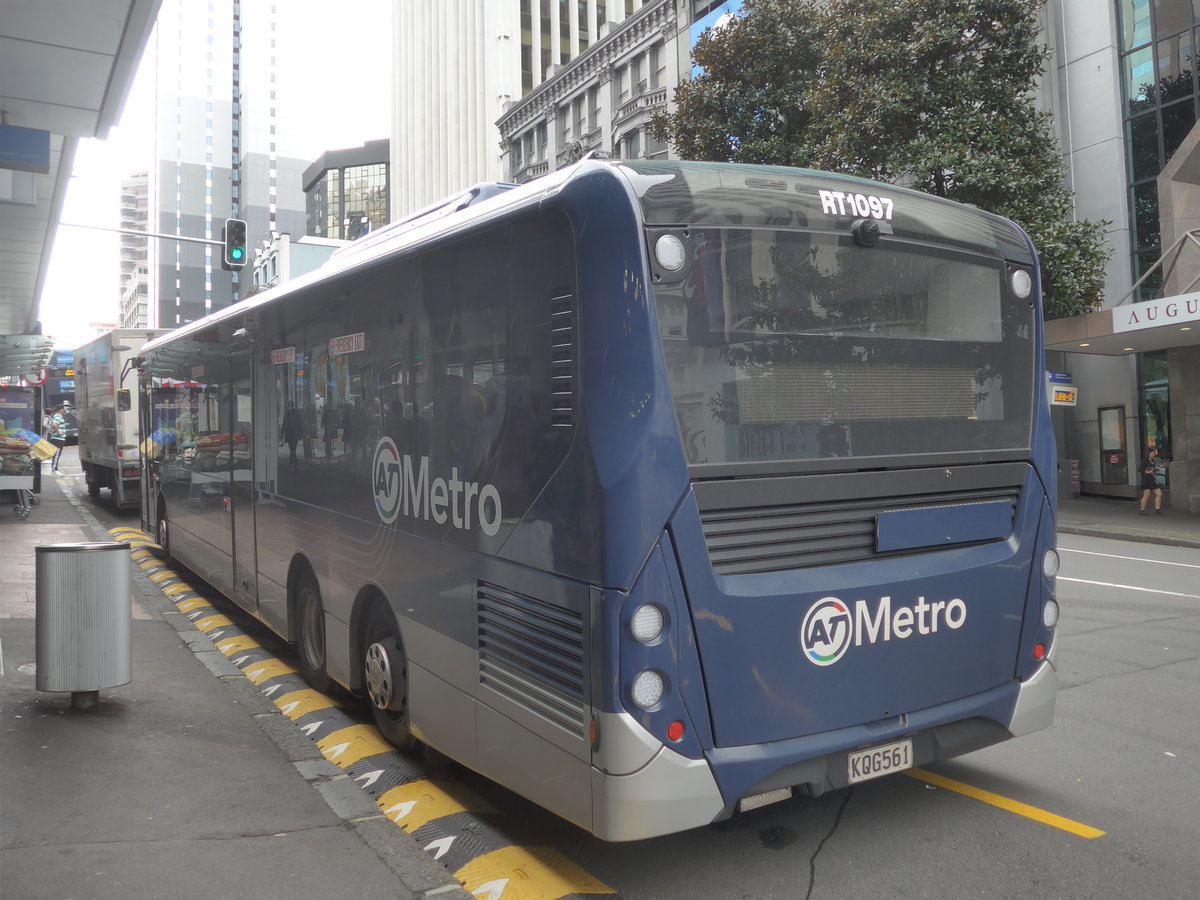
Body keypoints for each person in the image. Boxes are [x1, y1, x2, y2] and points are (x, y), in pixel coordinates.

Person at [1138, 447, 1164, 516]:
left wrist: (1157, 469)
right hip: (1146, 479)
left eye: (1154, 453)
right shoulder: (1145, 461)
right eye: (1153, 453)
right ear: (1149, 453)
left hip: (1151, 479)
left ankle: (1157, 510)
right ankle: (1142, 510)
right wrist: (1147, 471)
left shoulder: (1152, 461)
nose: (1154, 454)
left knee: (1159, 493)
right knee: (1146, 495)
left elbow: (1153, 471)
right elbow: (1140, 469)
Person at [281, 403, 304, 471]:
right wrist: (281, 435)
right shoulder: (287, 413)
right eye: (289, 406)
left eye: (290, 406)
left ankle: (291, 466)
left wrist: (300, 434)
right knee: (292, 450)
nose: (289, 407)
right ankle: (294, 465)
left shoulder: (296, 413)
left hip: (295, 434)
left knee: (293, 450)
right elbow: (283, 424)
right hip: (289, 434)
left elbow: (299, 423)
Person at [47, 403, 67, 471]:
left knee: (56, 455)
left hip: (57, 439)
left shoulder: (55, 416)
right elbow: (54, 425)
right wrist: (58, 432)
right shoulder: (58, 416)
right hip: (58, 439)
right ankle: (54, 469)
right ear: (61, 410)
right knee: (56, 455)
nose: (64, 411)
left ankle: (55, 468)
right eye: (64, 409)